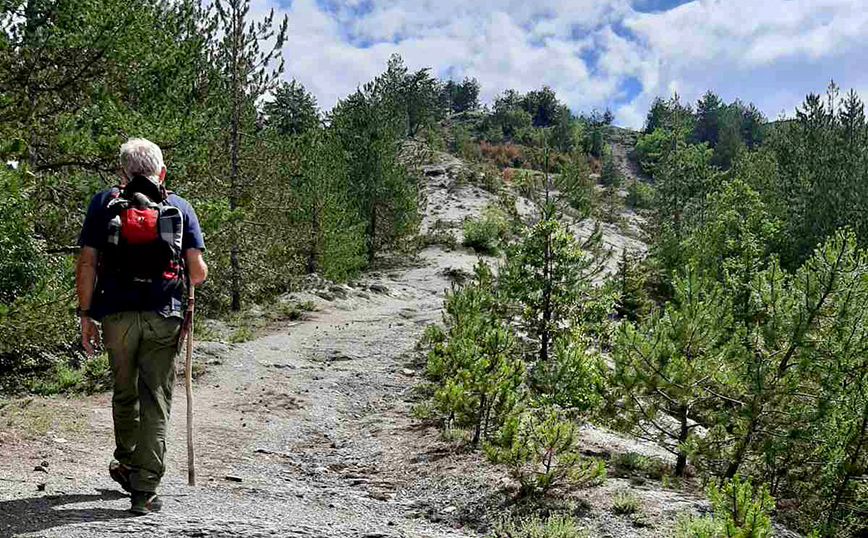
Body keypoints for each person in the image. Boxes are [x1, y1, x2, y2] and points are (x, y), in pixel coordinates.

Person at [76, 138, 207, 515]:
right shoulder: (178, 207)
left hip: (116, 315)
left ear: (123, 172)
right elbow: (197, 274)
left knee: (124, 392)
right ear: (160, 171)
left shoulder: (104, 204)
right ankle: (144, 490)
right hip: (164, 314)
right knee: (156, 399)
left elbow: (87, 264)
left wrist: (87, 315)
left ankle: (128, 461)